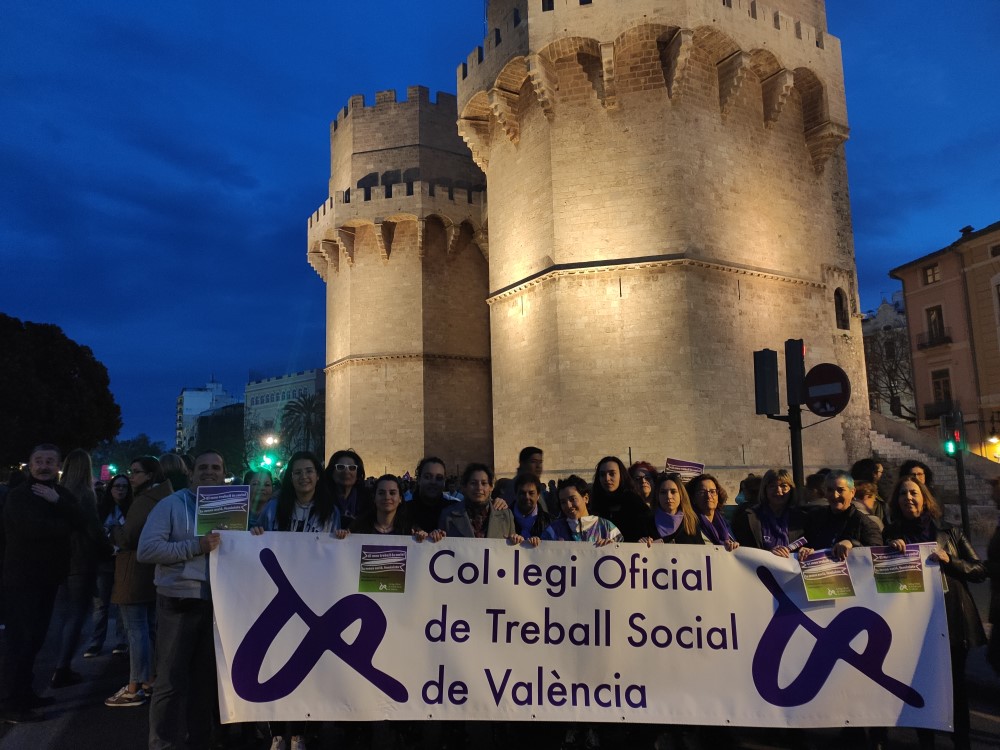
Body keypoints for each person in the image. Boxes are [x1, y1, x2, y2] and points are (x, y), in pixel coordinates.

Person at [884, 478, 986, 750]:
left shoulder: (950, 533)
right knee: (921, 684)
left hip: (951, 620)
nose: (908, 498)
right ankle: (925, 741)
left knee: (955, 686)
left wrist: (950, 561)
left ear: (925, 498)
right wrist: (890, 553)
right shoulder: (891, 535)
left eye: (913, 493)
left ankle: (961, 740)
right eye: (903, 494)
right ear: (896, 501)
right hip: (913, 623)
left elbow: (979, 570)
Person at [137, 449, 225, 750]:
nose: (209, 472)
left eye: (215, 468)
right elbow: (147, 550)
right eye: (203, 467)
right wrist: (196, 546)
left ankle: (199, 740)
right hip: (178, 602)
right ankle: (161, 743)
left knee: (204, 682)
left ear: (223, 474)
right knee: (170, 682)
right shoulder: (171, 505)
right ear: (191, 473)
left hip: (216, 604)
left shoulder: (233, 508)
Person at [0, 444, 84, 724]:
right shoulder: (18, 496)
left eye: (50, 461)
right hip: (22, 579)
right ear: (30, 464)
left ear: (58, 465)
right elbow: (34, 530)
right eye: (39, 460)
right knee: (19, 641)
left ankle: (25, 693)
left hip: (49, 577)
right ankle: (10, 702)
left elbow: (82, 520)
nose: (44, 465)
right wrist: (64, 522)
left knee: (35, 640)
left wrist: (57, 502)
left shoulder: (60, 494)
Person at [105, 456, 175, 708]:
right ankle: (149, 679)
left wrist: (113, 529)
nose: (131, 476)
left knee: (136, 631)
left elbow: (128, 538)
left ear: (150, 475)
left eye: (136, 472)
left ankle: (134, 686)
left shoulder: (145, 501)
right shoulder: (166, 497)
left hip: (134, 572)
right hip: (151, 572)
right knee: (147, 629)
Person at [51, 448, 105, 688]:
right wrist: (109, 548)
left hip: (60, 559)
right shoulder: (85, 494)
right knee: (77, 615)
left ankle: (56, 663)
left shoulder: (57, 492)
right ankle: (62, 667)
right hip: (81, 560)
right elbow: (93, 529)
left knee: (62, 615)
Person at [84, 474, 131, 658]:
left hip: (123, 561)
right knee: (101, 605)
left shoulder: (132, 509)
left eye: (124, 486)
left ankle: (121, 640)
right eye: (117, 486)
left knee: (121, 604)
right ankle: (96, 642)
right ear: (110, 488)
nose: (120, 489)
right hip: (104, 561)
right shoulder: (101, 509)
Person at [794, 470, 882, 561]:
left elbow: (877, 555)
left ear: (852, 492)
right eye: (830, 490)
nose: (835, 495)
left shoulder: (866, 523)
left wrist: (852, 543)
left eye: (840, 490)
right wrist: (804, 550)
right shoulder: (815, 518)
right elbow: (802, 542)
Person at [256, 451, 341, 536]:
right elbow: (256, 537)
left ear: (317, 475)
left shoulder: (331, 512)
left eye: (309, 471)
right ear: (291, 477)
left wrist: (341, 536)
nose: (303, 476)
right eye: (297, 472)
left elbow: (334, 543)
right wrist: (255, 531)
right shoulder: (273, 508)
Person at [432, 464, 516, 541]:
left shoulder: (506, 515)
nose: (479, 488)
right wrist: (436, 536)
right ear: (464, 486)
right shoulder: (448, 515)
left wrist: (516, 540)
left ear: (491, 487)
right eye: (473, 483)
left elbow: (511, 546)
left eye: (484, 483)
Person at [732, 469, 805, 556]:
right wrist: (769, 554)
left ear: (791, 489)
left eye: (783, 486)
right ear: (764, 490)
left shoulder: (802, 518)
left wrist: (807, 550)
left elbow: (811, 543)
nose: (778, 490)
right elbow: (743, 550)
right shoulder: (749, 518)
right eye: (772, 486)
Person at [542, 475, 622, 545]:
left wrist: (612, 547)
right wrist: (536, 543)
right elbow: (541, 553)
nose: (568, 505)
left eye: (573, 499)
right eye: (563, 502)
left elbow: (623, 553)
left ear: (586, 498)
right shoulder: (553, 531)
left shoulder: (607, 528)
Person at [589, 456, 650, 542]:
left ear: (621, 475)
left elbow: (648, 533)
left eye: (612, 474)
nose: (607, 478)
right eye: (602, 474)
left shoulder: (635, 503)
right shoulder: (593, 505)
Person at [348, 474, 422, 538]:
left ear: (400, 498)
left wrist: (423, 538)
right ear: (374, 497)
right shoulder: (358, 527)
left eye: (392, 493)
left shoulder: (410, 530)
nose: (387, 497)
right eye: (381, 493)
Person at [639, 472, 701, 545]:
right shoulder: (646, 522)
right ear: (657, 496)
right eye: (663, 492)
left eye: (673, 492)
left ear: (681, 495)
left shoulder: (691, 521)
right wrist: (642, 544)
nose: (668, 496)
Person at [686, 474, 739, 551]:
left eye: (712, 491)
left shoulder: (724, 523)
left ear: (718, 495)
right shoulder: (688, 525)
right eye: (702, 492)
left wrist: (734, 546)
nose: (708, 496)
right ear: (693, 498)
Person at [324, 449, 369, 530]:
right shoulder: (321, 499)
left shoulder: (368, 502)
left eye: (352, 468)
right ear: (332, 472)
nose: (346, 472)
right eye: (340, 467)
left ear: (358, 474)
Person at [407, 456, 452, 533]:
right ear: (419, 479)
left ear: (444, 482)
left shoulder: (455, 511)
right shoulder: (403, 511)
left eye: (439, 478)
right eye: (427, 477)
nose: (433, 482)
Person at [511, 473, 552, 545]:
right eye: (522, 493)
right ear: (515, 494)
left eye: (531, 493)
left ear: (538, 495)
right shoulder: (501, 520)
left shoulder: (550, 522)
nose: (527, 497)